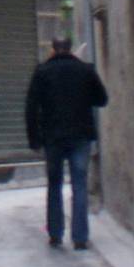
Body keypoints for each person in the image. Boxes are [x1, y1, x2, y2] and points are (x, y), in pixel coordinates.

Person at [24, 36, 108, 250]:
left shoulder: (42, 72)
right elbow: (102, 99)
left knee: (54, 184)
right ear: (70, 49)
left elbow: (31, 107)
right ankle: (80, 237)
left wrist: (34, 139)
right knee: (79, 184)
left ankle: (55, 233)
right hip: (80, 136)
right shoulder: (85, 70)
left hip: (53, 137)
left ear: (53, 49)